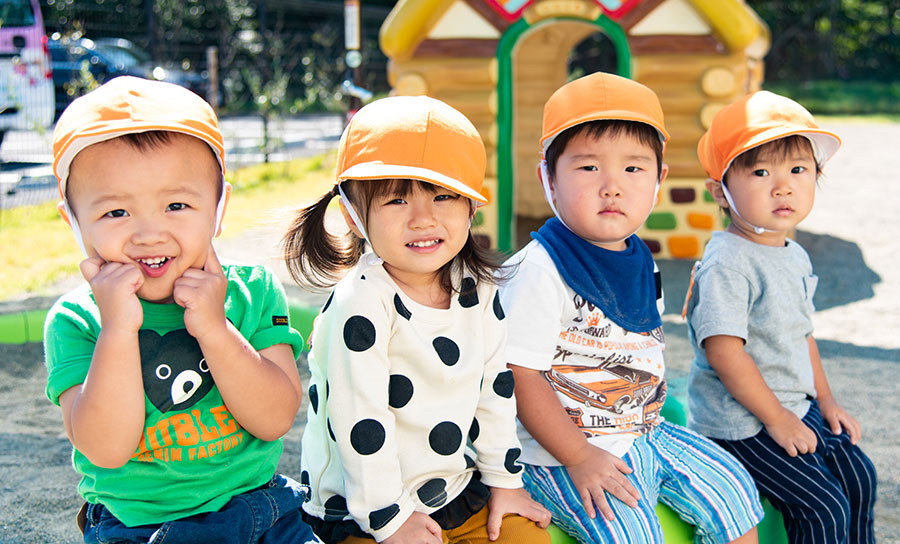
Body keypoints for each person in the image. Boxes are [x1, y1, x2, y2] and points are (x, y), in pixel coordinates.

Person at [43, 76, 317, 544]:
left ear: (218, 205)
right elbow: (107, 449)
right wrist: (117, 330)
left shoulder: (250, 292)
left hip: (262, 508)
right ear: (74, 220)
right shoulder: (79, 320)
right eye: (116, 213)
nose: (149, 233)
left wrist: (214, 327)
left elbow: (274, 419)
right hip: (140, 526)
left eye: (176, 205)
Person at [500, 72, 763, 543]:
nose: (612, 186)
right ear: (548, 179)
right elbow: (521, 375)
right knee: (632, 534)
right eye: (587, 168)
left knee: (736, 489)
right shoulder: (539, 269)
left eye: (634, 168)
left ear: (659, 179)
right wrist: (580, 457)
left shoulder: (638, 255)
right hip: (560, 450)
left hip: (645, 431)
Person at [282, 95, 552, 544]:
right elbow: (359, 422)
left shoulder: (477, 287)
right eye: (396, 200)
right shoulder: (362, 303)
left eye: (443, 195)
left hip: (450, 489)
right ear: (352, 214)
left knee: (528, 537)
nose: (423, 219)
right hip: (360, 507)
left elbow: (495, 389)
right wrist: (390, 520)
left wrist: (505, 481)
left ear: (471, 206)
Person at [684, 90, 877, 543]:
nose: (783, 185)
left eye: (798, 170)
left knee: (859, 476)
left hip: (793, 407)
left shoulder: (793, 254)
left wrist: (825, 401)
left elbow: (801, 334)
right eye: (760, 172)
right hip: (741, 422)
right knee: (821, 504)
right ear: (721, 192)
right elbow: (724, 351)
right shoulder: (728, 262)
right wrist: (776, 419)